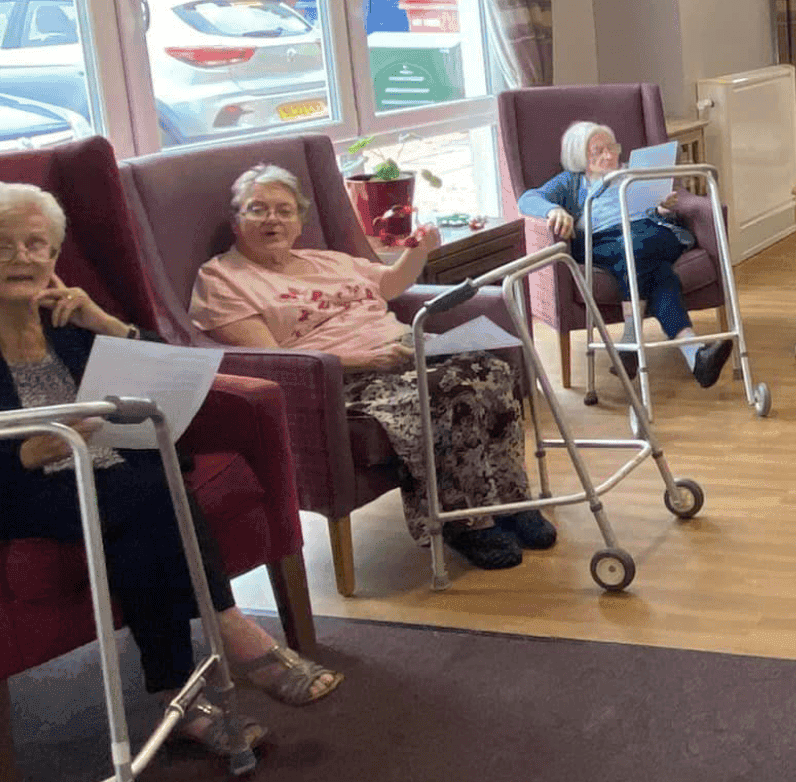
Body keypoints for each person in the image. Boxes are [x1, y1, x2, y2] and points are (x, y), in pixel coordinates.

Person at [0, 182, 342, 759]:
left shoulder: (64, 318)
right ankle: (234, 631)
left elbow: (168, 371)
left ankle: (180, 700)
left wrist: (107, 323)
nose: (23, 257)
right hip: (23, 486)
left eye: (38, 245)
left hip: (110, 474)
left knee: (140, 512)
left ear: (55, 259)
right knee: (151, 491)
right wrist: (32, 451)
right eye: (4, 244)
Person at [192, 164, 545, 571]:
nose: (273, 219)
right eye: (257, 209)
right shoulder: (223, 280)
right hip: (339, 378)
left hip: (401, 350)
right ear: (236, 221)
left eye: (284, 210)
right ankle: (464, 522)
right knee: (453, 392)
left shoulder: (326, 261)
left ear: (299, 221)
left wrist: (420, 250)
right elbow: (273, 362)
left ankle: (509, 500)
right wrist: (361, 360)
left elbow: (393, 285)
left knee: (493, 369)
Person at [518, 121, 732, 386]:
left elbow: (652, 210)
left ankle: (631, 341)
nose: (608, 156)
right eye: (598, 151)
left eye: (612, 148)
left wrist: (662, 208)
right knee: (659, 274)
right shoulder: (571, 181)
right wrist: (553, 210)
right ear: (579, 157)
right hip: (604, 240)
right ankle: (695, 357)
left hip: (650, 232)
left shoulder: (632, 172)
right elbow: (527, 198)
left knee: (638, 245)